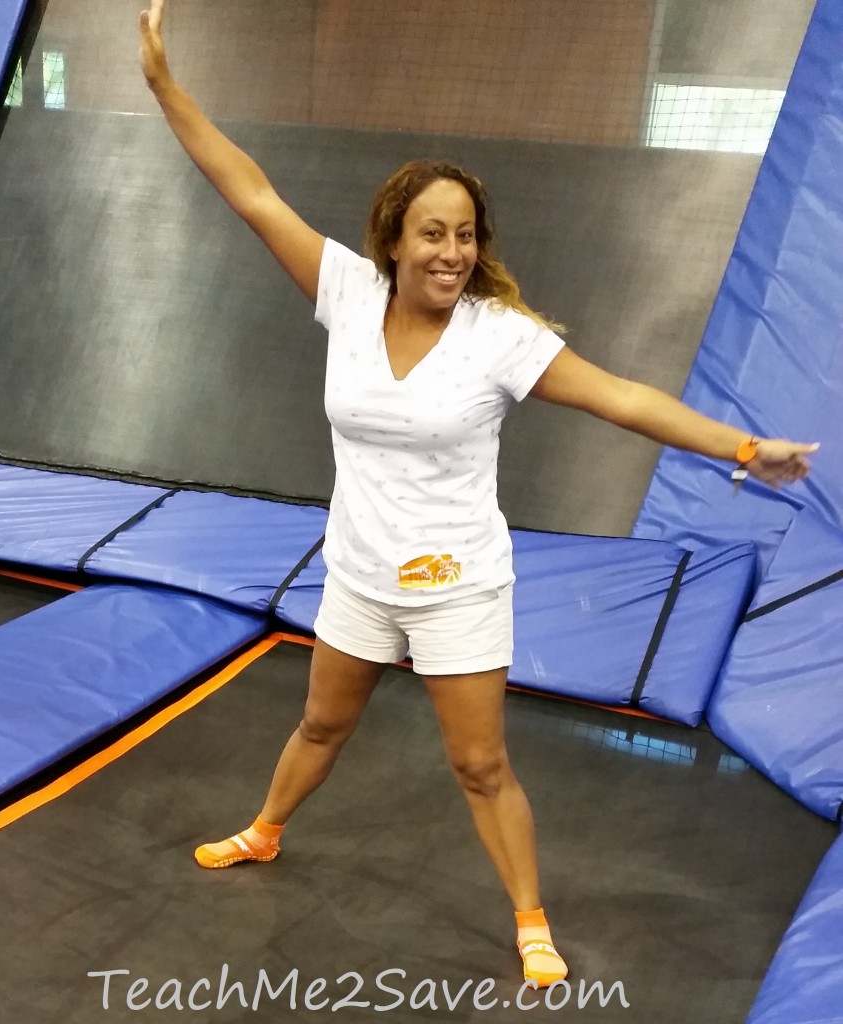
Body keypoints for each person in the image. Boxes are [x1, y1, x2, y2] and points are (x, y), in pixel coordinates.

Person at [138, 0, 818, 988]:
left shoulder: (500, 336)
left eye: (463, 235)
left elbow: (621, 399)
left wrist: (744, 445)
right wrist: (163, 85)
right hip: (361, 576)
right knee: (321, 723)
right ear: (392, 240)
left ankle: (530, 917)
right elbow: (248, 191)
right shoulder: (346, 291)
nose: (450, 252)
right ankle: (265, 830)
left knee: (479, 765)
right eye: (430, 234)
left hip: (457, 582)